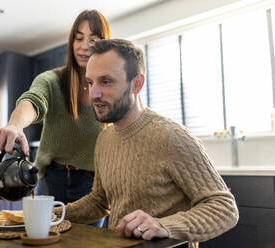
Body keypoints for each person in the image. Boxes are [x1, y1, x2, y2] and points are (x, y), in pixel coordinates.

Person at [55, 39, 239, 247]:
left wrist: (164, 225)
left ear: (137, 84)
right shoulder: (104, 139)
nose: (94, 94)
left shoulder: (172, 137)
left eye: (106, 82)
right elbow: (100, 201)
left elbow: (224, 208)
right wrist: (51, 214)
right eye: (90, 83)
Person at [0, 10, 110, 226]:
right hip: (50, 179)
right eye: (79, 37)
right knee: (45, 235)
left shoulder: (110, 88)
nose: (84, 46)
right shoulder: (51, 80)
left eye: (93, 40)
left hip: (93, 186)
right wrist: (15, 125)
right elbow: (33, 100)